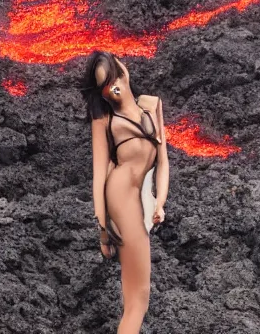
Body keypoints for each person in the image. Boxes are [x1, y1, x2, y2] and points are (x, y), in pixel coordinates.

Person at [85, 51, 170, 334]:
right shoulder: (105, 121)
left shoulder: (152, 105)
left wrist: (160, 203)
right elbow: (99, 176)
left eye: (114, 76)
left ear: (124, 70)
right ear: (103, 93)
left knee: (139, 297)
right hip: (121, 197)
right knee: (138, 297)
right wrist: (102, 229)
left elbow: (162, 162)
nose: (114, 85)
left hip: (140, 197)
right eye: (105, 84)